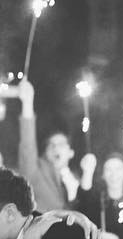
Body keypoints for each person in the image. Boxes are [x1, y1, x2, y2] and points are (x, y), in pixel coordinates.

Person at [17, 79, 79, 212]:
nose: (55, 148)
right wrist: (27, 103)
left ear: (70, 152)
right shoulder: (36, 173)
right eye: (51, 145)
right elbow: (27, 147)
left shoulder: (78, 180)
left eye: (61, 144)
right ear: (46, 152)